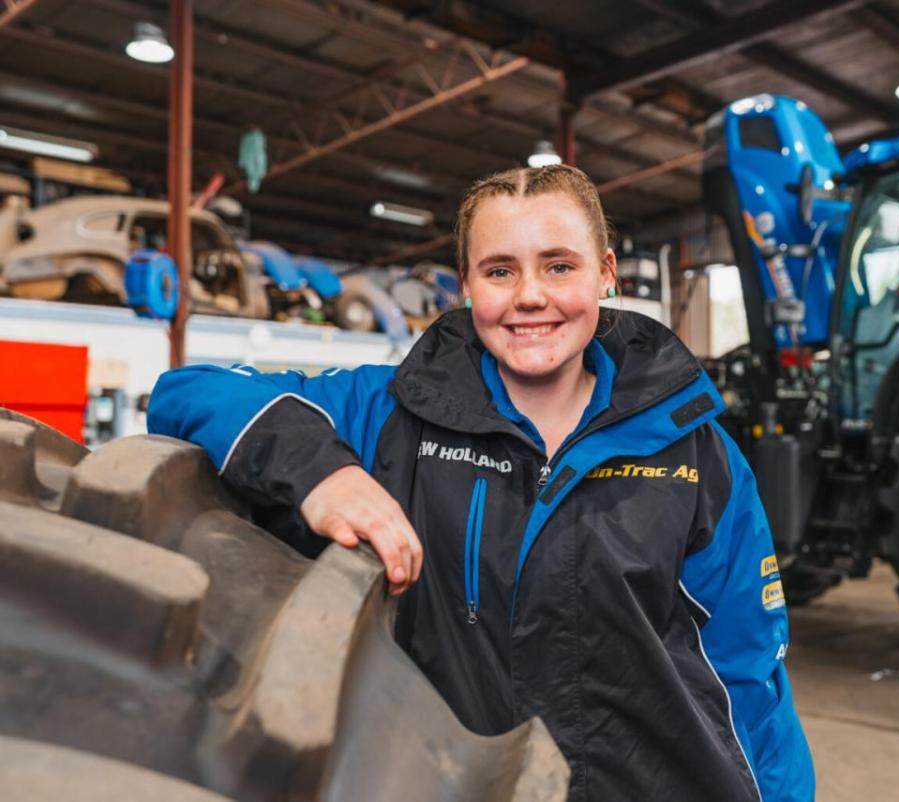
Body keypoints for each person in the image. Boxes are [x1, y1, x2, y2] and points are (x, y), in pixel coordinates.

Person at [148, 164, 815, 802]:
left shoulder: (699, 455)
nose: (530, 296)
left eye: (559, 265)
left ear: (605, 274)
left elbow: (747, 678)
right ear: (467, 286)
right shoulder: (388, 415)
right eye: (500, 270)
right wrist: (324, 471)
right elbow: (191, 391)